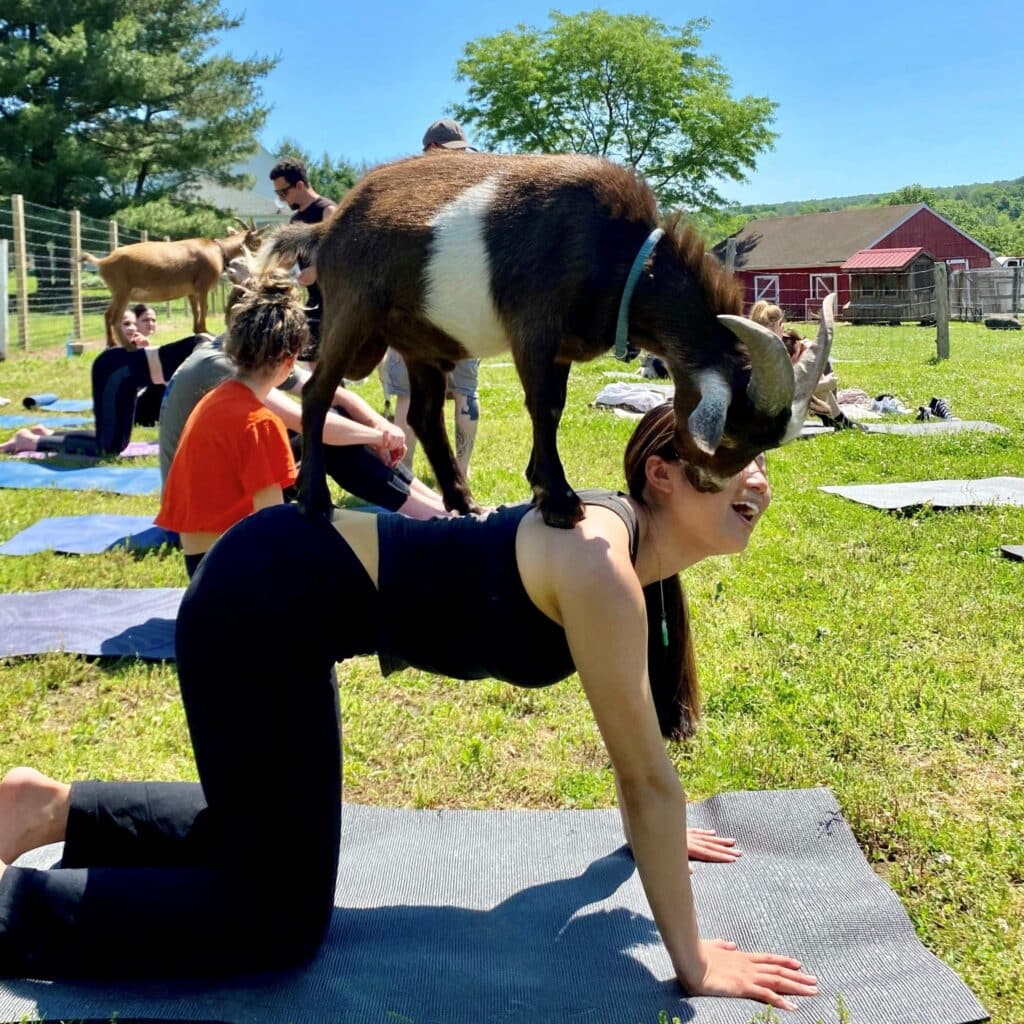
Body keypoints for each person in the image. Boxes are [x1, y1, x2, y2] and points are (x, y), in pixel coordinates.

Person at [0, 402, 818, 1010]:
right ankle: (15, 909)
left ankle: (48, 811)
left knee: (262, 844)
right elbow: (646, 781)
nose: (758, 478)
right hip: (264, 603)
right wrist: (696, 964)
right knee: (273, 918)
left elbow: (636, 759)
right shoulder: (601, 561)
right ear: (662, 476)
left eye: (761, 461)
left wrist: (659, 840)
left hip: (282, 595)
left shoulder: (628, 559)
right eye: (737, 458)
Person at [158, 330, 449, 521]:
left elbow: (335, 396)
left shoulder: (245, 358)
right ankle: (434, 517)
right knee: (331, 439)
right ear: (286, 358)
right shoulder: (233, 379)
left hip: (201, 521)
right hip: (215, 518)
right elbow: (309, 423)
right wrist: (377, 435)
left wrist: (376, 427)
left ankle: (440, 508)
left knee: (336, 426)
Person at [155, 272, 303, 577]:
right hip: (231, 577)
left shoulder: (215, 398)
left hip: (202, 569)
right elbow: (274, 530)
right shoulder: (260, 423)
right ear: (289, 361)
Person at [384, 118, 483, 477]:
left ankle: (404, 472)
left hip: (417, 307)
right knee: (464, 391)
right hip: (468, 310)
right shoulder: (481, 191)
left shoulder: (405, 192)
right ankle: (461, 469)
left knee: (409, 393)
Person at [0, 320, 204, 457]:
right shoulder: (210, 351)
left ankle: (47, 432)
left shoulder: (217, 350)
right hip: (115, 371)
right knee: (108, 447)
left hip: (127, 377)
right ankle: (29, 441)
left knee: (115, 442)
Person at [749, 300, 857, 431]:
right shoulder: (766, 353)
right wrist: (825, 385)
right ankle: (837, 419)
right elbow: (783, 392)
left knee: (818, 378)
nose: (783, 328)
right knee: (822, 382)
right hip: (767, 411)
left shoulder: (763, 346)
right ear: (776, 325)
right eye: (781, 324)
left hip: (772, 402)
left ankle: (835, 419)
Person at [268, 157, 336, 360]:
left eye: (283, 192)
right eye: (277, 193)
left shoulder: (328, 211)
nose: (281, 199)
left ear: (299, 185)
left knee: (325, 366)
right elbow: (287, 260)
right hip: (315, 300)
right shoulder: (295, 220)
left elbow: (340, 257)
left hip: (335, 301)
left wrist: (316, 270)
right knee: (312, 361)